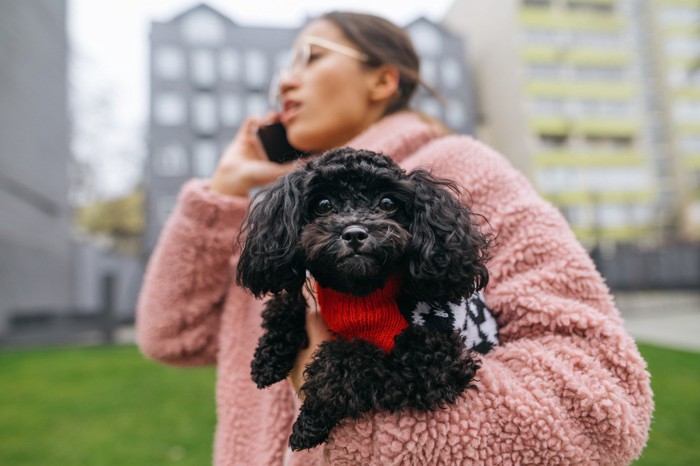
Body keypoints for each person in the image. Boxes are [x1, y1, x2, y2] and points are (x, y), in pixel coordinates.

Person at [136, 11, 653, 465]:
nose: (285, 85)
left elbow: (600, 398)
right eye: (282, 70)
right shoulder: (285, 214)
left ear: (383, 80)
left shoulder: (461, 167)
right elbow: (172, 336)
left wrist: (365, 432)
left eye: (310, 58)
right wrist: (222, 192)